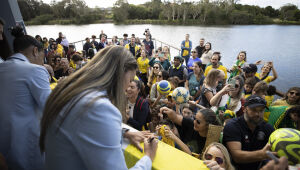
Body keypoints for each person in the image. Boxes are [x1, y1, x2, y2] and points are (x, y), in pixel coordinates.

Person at [40, 46, 158, 170]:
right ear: (119, 74)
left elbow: (84, 128)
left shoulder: (70, 90)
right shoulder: (99, 108)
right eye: (129, 80)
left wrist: (124, 133)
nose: (127, 87)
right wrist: (148, 157)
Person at [0, 26, 51, 170]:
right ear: (36, 51)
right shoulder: (35, 70)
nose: (43, 62)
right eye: (43, 56)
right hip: (28, 146)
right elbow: (51, 106)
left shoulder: (2, 67)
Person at [223, 95, 275, 170]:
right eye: (254, 110)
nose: (258, 114)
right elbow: (237, 157)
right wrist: (262, 154)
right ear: (244, 109)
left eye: (261, 111)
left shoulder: (267, 128)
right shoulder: (233, 126)